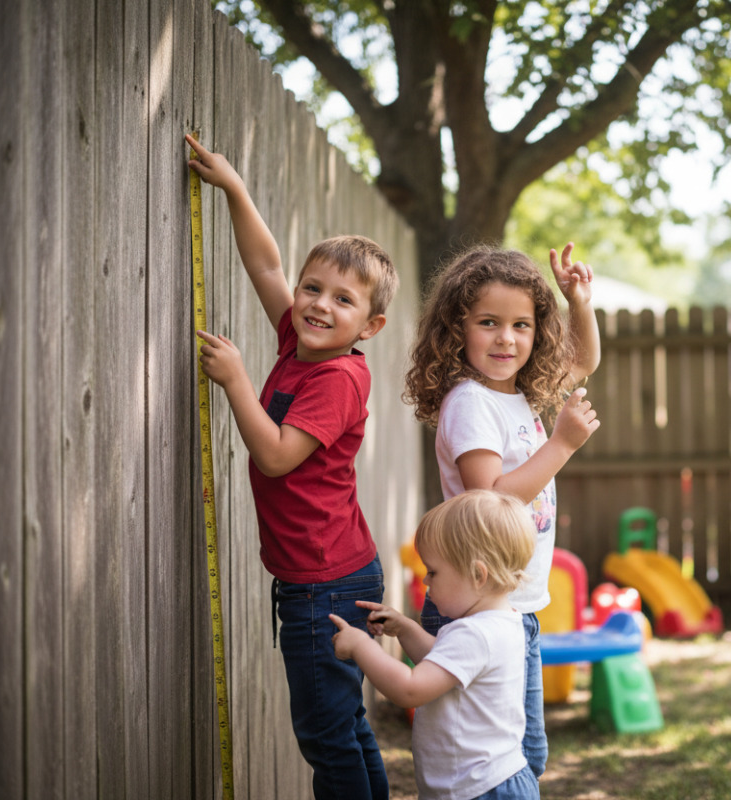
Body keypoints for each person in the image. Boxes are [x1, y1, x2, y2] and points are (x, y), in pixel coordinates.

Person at [185, 133, 399, 800]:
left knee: (325, 737)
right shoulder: (302, 345)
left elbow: (277, 457)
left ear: (370, 326)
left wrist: (237, 383)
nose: (318, 304)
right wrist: (236, 190)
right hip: (329, 572)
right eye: (315, 288)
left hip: (322, 585)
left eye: (343, 300)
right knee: (346, 726)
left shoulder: (335, 379)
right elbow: (265, 267)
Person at [402, 243, 601, 779]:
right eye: (488, 322)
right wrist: (560, 446)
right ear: (456, 328)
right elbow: (488, 496)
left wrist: (577, 301)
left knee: (526, 755)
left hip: (517, 606)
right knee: (492, 761)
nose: (506, 338)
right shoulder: (471, 403)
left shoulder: (521, 395)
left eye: (522, 325)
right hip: (475, 610)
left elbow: (583, 361)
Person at [331, 490, 541, 800]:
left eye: (433, 571)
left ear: (478, 574)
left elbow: (411, 689)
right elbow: (442, 663)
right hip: (490, 783)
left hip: (481, 791)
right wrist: (405, 629)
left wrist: (362, 646)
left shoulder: (476, 635)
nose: (426, 582)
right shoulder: (501, 623)